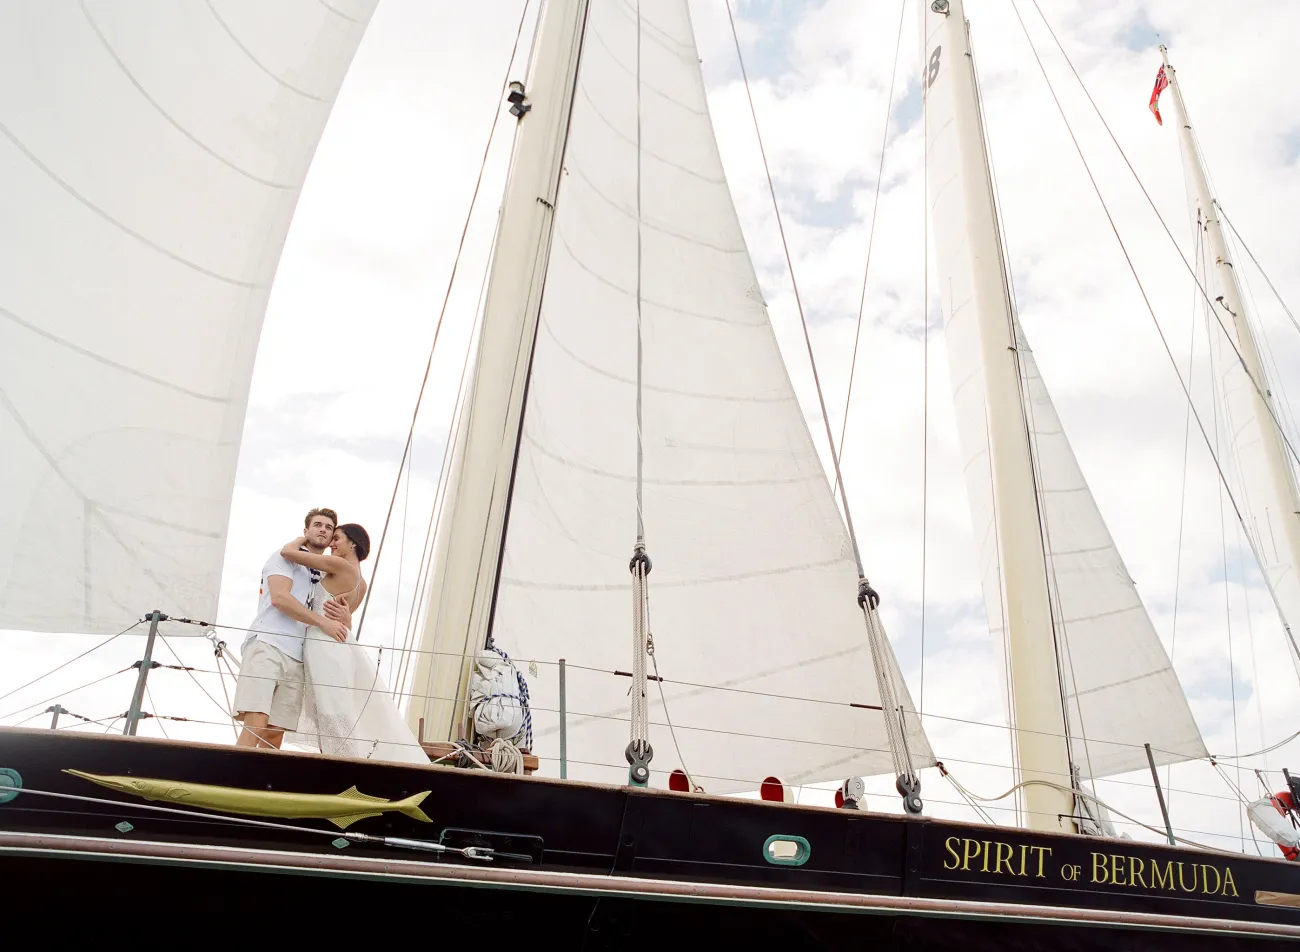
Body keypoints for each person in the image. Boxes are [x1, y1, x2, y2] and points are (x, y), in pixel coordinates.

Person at [278, 523, 429, 765]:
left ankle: (343, 765)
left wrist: (302, 538)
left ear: (353, 544)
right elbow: (346, 620)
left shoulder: (339, 566)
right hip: (341, 647)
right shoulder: (362, 583)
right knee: (337, 710)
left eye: (337, 538)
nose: (331, 544)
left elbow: (287, 553)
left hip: (323, 643)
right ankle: (343, 761)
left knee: (329, 712)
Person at [233, 507, 351, 749]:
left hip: (297, 656)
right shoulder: (283, 557)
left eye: (329, 528)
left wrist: (344, 617)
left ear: (331, 540)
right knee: (256, 721)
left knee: (276, 732)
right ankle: (231, 776)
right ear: (306, 530)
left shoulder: (325, 574)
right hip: (268, 643)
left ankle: (260, 785)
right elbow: (279, 598)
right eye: (317, 524)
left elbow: (335, 611)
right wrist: (323, 622)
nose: (323, 530)